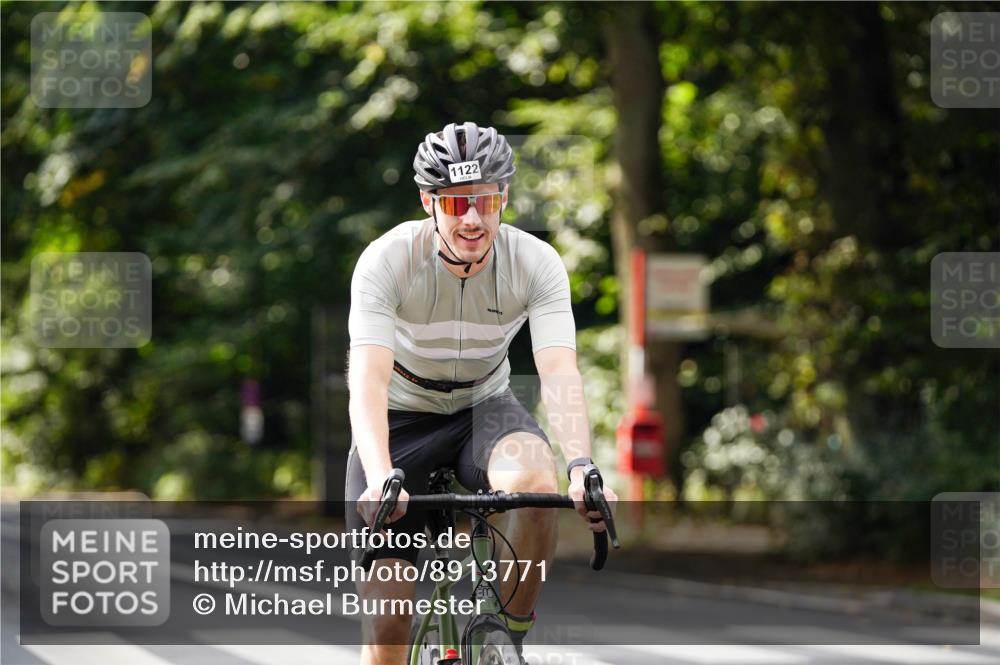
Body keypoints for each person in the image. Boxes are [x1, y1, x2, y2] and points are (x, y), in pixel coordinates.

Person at [345, 121, 617, 665]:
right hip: (400, 416)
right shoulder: (387, 259)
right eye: (455, 203)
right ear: (429, 203)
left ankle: (503, 639)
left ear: (504, 199)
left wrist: (582, 466)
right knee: (388, 621)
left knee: (535, 487)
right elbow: (369, 379)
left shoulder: (535, 262)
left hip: (484, 407)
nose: (472, 218)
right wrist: (378, 476)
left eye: (485, 201)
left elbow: (558, 370)